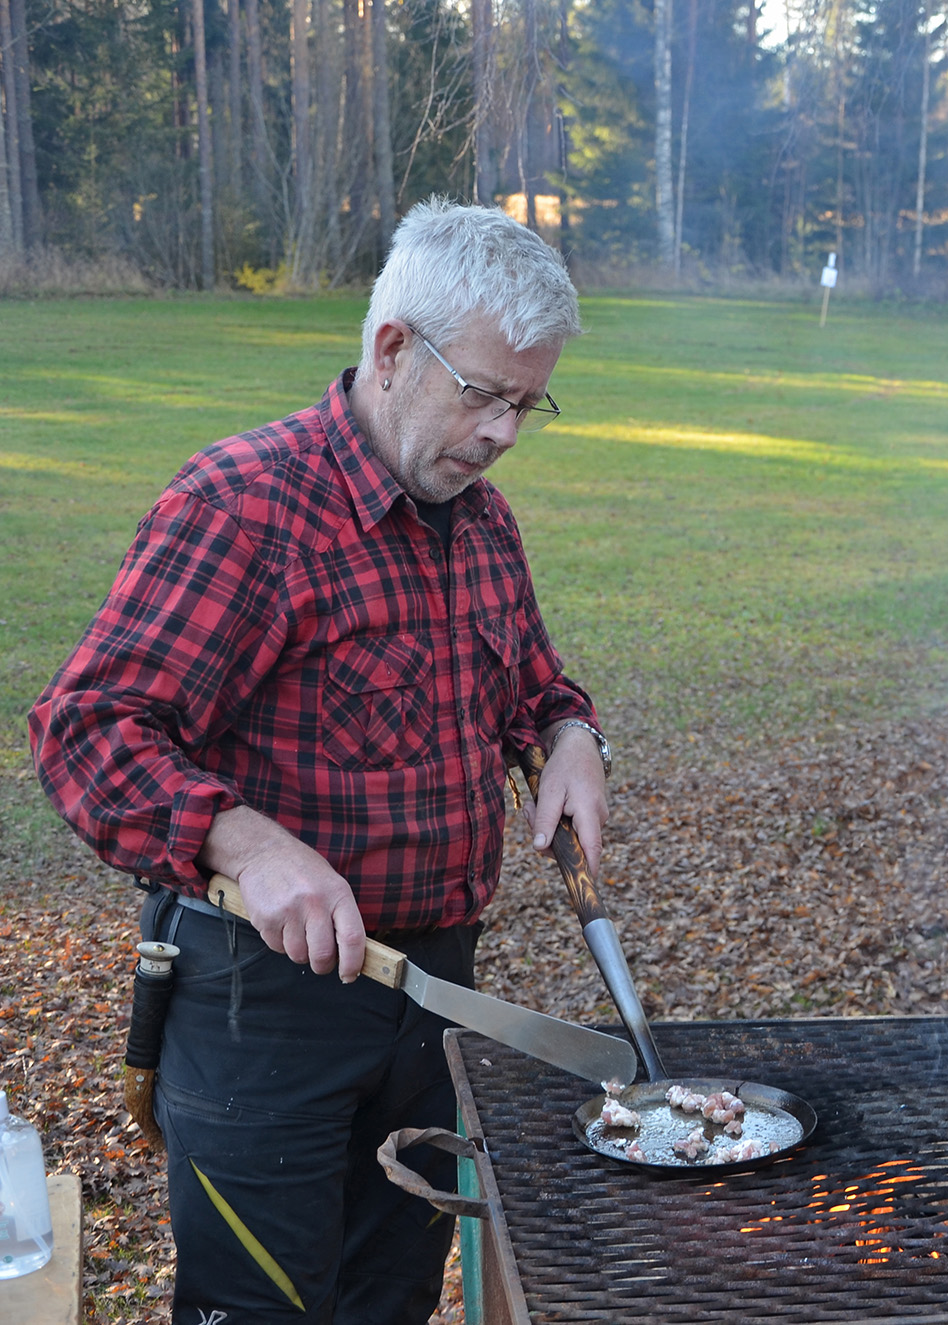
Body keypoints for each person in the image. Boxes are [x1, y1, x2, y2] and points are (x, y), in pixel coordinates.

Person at [31, 201, 612, 1324]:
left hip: (433, 992)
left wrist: (570, 737)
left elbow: (534, 683)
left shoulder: (480, 521)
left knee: (388, 1296)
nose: (500, 433)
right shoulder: (246, 505)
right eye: (483, 393)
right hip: (265, 1007)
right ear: (392, 349)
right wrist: (244, 841)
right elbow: (87, 726)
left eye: (525, 404)